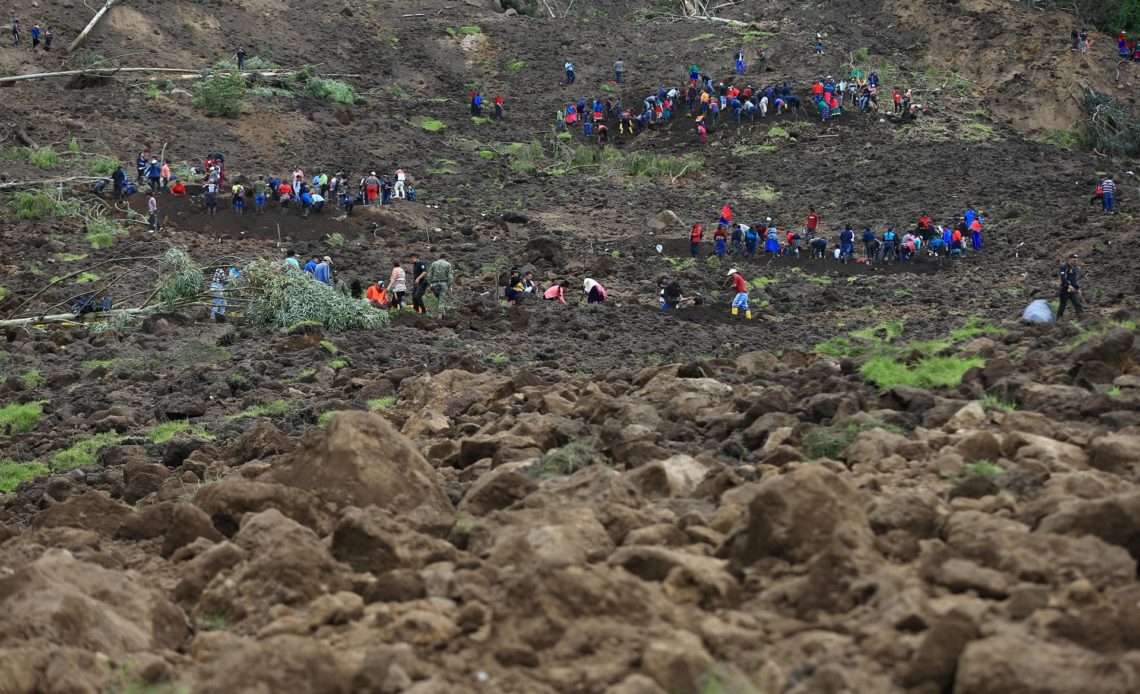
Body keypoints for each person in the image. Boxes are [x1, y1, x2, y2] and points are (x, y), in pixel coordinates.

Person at [427, 253, 454, 317]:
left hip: (434, 284)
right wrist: (450, 285)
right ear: (445, 258)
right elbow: (450, 276)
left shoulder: (434, 263)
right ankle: (440, 315)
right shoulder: (448, 264)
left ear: (439, 257)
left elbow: (429, 274)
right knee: (442, 298)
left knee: (440, 298)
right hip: (444, 283)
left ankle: (443, 313)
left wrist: (429, 284)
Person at [1057, 253, 1084, 319]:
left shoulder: (1074, 267)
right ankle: (1058, 320)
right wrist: (1069, 285)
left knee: (1077, 304)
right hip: (1065, 290)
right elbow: (1063, 278)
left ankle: (1082, 318)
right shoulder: (1064, 267)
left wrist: (1078, 288)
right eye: (1074, 260)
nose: (1076, 262)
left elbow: (1074, 279)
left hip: (1073, 290)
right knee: (1063, 305)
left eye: (1076, 260)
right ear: (1069, 259)